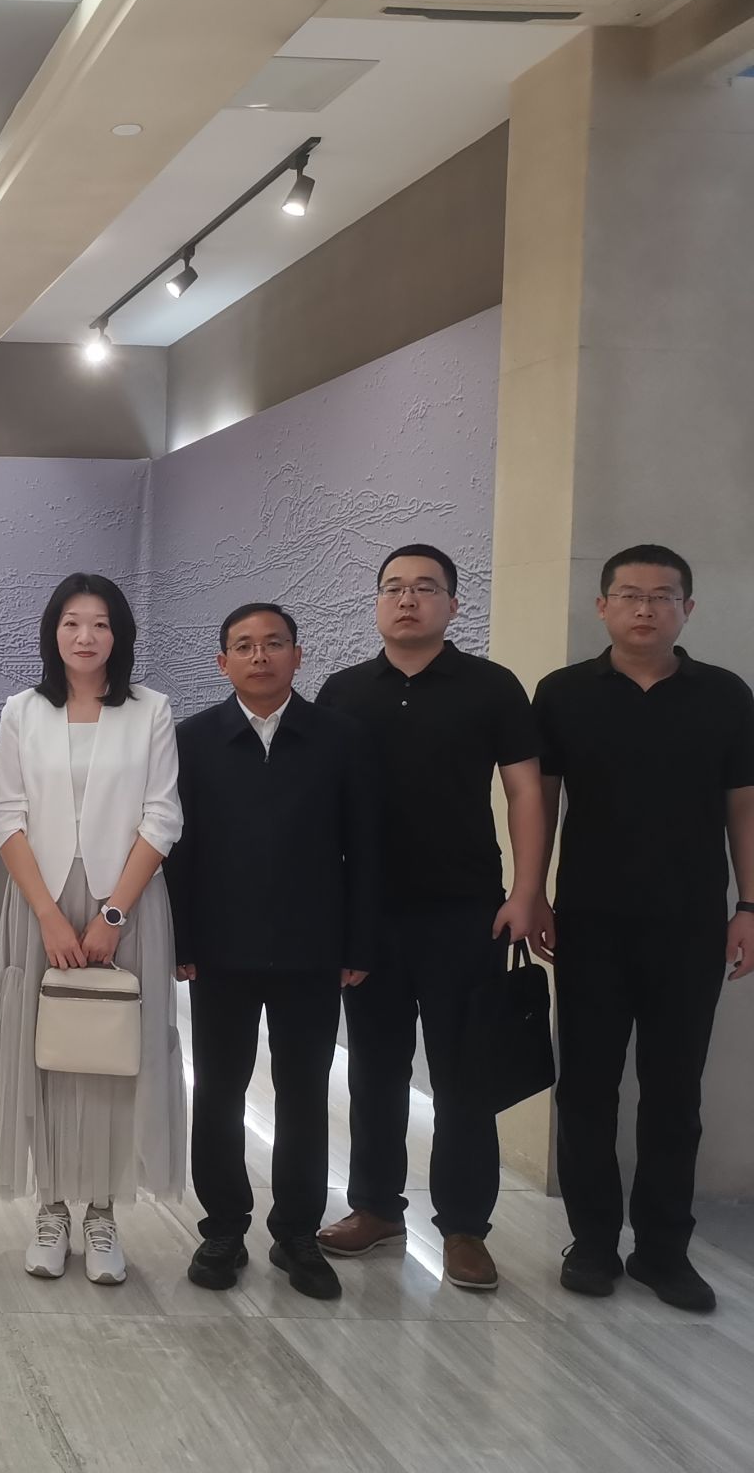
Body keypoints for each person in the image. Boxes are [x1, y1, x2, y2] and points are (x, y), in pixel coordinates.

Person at [314, 544, 550, 1292]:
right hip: (370, 915)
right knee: (374, 1070)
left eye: (425, 588)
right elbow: (319, 800)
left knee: (463, 1077)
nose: (407, 599)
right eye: (393, 588)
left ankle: (465, 1228)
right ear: (377, 604)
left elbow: (525, 791)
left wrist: (527, 891)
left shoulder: (491, 687)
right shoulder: (344, 691)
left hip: (466, 913)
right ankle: (376, 1208)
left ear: (453, 603)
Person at [533, 544, 754, 1314]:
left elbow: (744, 807)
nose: (646, 608)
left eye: (663, 596)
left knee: (674, 1094)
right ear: (603, 606)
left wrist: (749, 906)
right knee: (586, 1089)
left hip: (690, 925)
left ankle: (663, 1251)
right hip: (588, 923)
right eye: (630, 594)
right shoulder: (563, 693)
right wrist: (534, 894)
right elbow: (540, 804)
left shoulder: (725, 695)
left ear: (687, 609)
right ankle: (592, 1242)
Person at [0, 574, 185, 1287]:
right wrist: (49, 914)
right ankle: (51, 1206)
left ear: (119, 634)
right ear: (52, 633)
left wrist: (113, 914)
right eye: (71, 622)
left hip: (128, 901)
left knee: (113, 1049)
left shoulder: (151, 710)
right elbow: (6, 815)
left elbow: (162, 816)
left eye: (99, 623)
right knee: (47, 1051)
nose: (85, 636)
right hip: (42, 901)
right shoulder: (23, 710)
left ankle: (102, 1212)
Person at [169, 602, 380, 1300]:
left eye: (274, 643)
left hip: (311, 949)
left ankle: (296, 1234)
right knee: (219, 1092)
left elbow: (365, 848)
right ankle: (223, 1229)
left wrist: (358, 941)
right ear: (222, 661)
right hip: (219, 951)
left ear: (298, 655)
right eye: (244, 646)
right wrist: (183, 940)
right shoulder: (193, 739)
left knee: (304, 1095)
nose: (259, 656)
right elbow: (179, 849)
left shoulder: (340, 738)